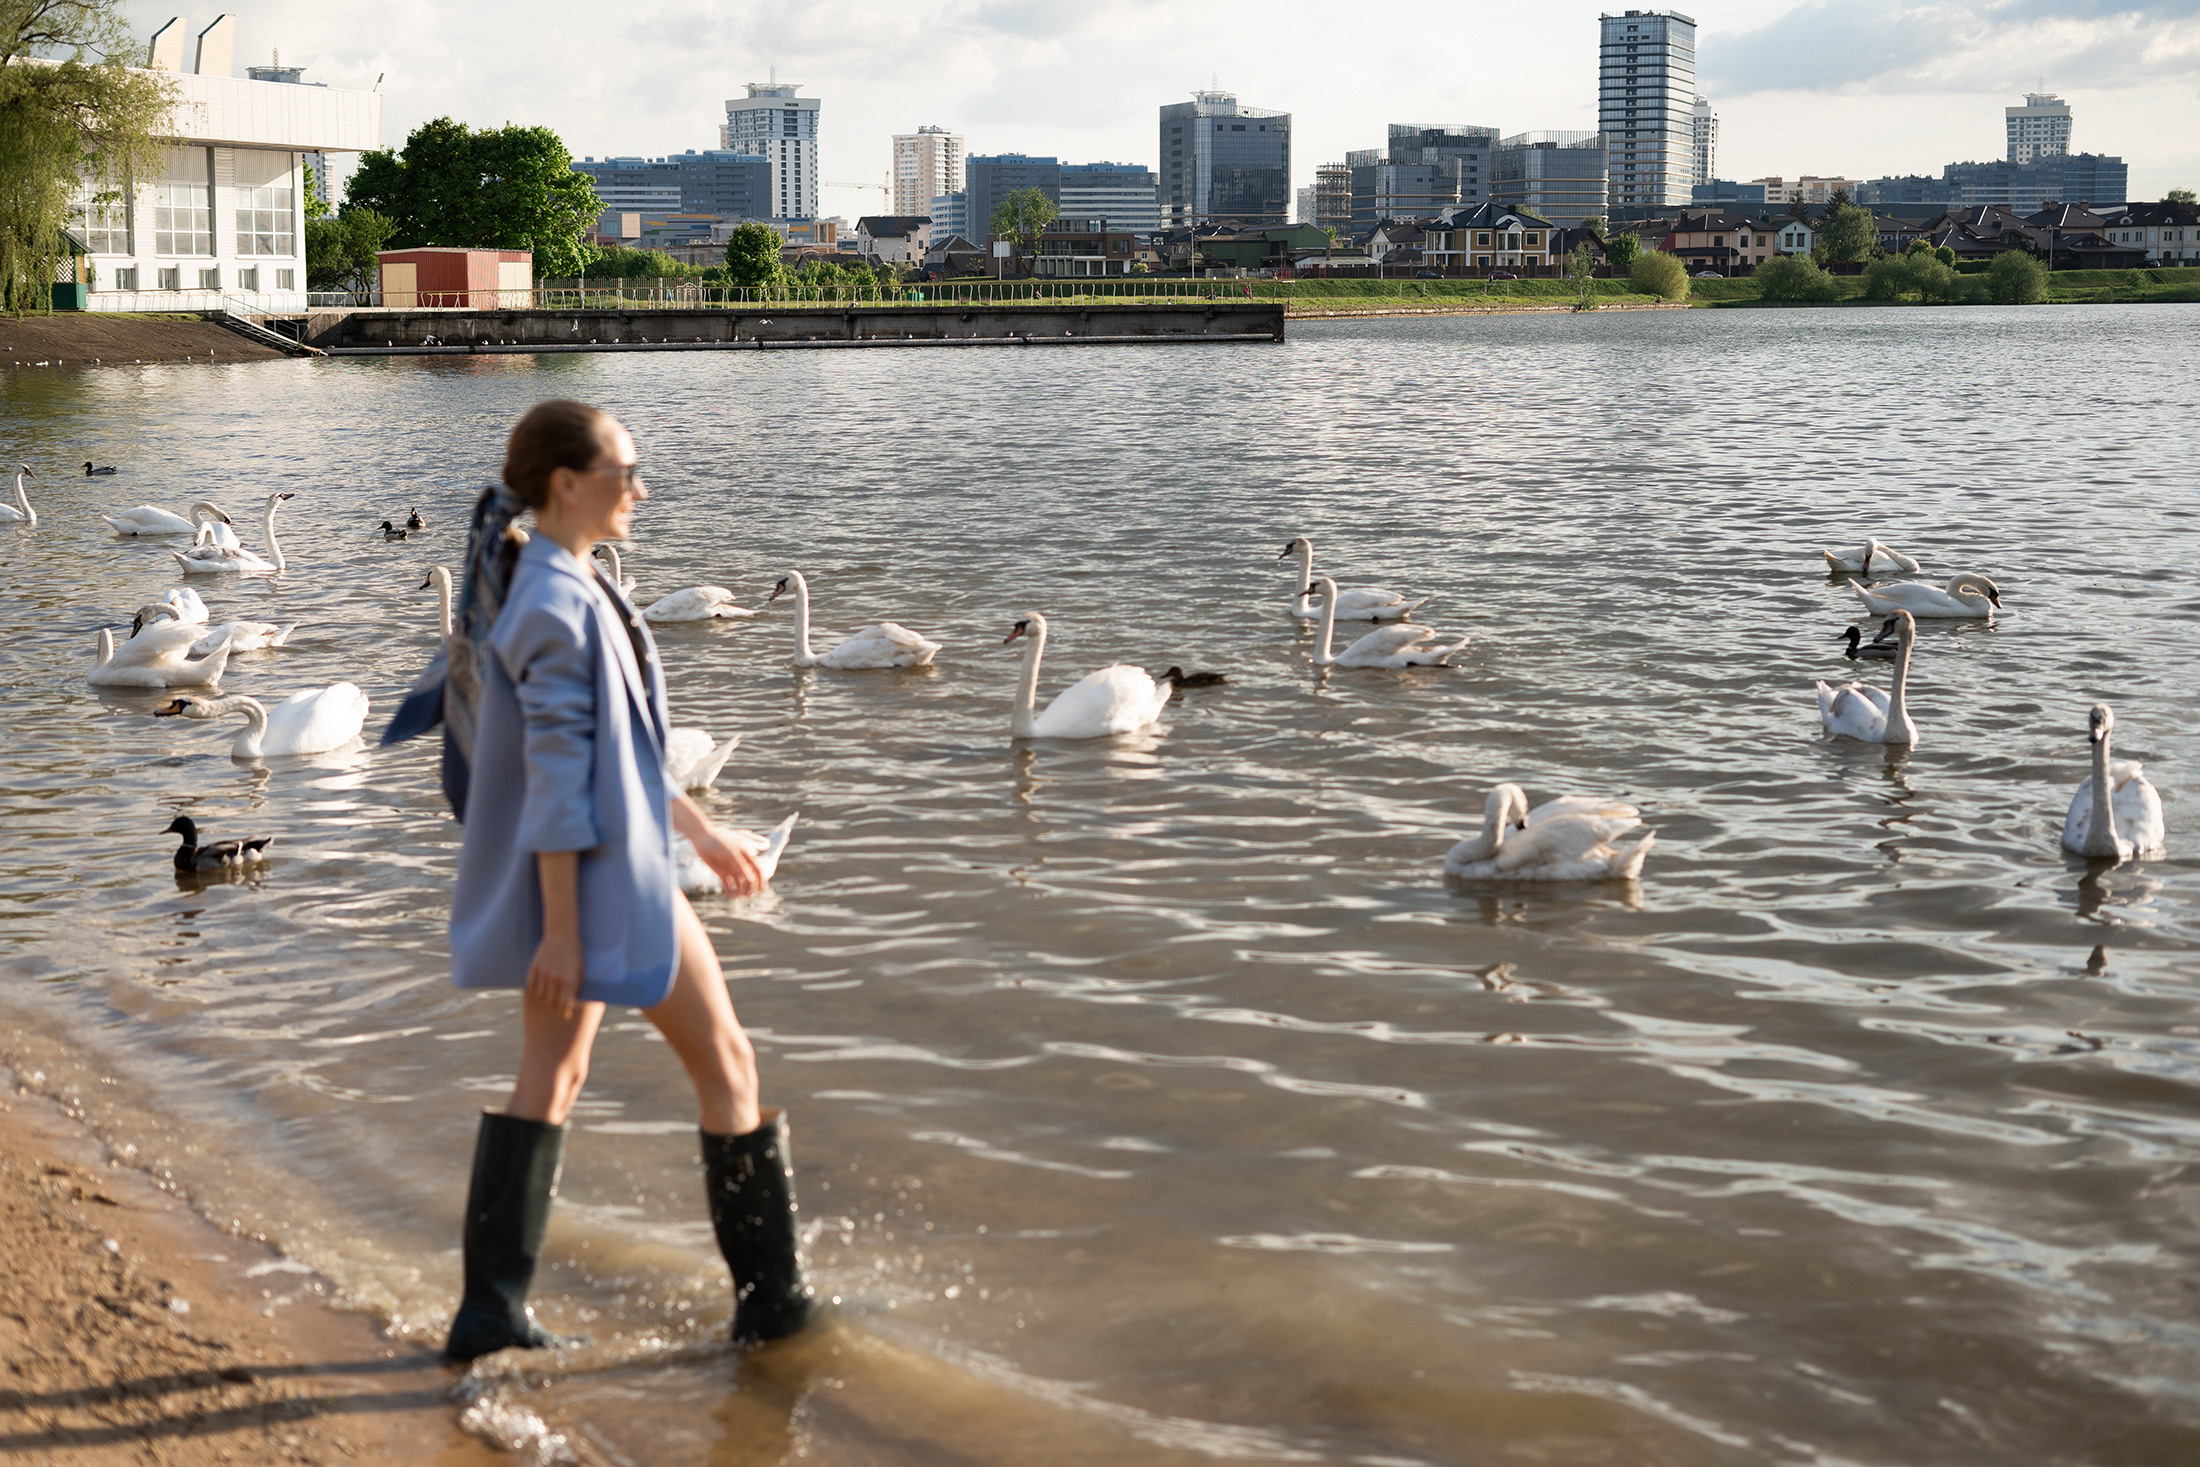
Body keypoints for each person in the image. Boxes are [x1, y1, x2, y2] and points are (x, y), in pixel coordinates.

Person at [441, 399, 816, 1363]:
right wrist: (564, 931)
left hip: (608, 865)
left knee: (558, 1074)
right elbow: (558, 781)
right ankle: (774, 1309)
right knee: (725, 1065)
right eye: (625, 473)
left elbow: (624, 744)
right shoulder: (554, 602)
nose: (639, 491)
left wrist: (701, 827)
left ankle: (491, 1313)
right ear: (568, 483)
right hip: (601, 878)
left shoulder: (568, 579)